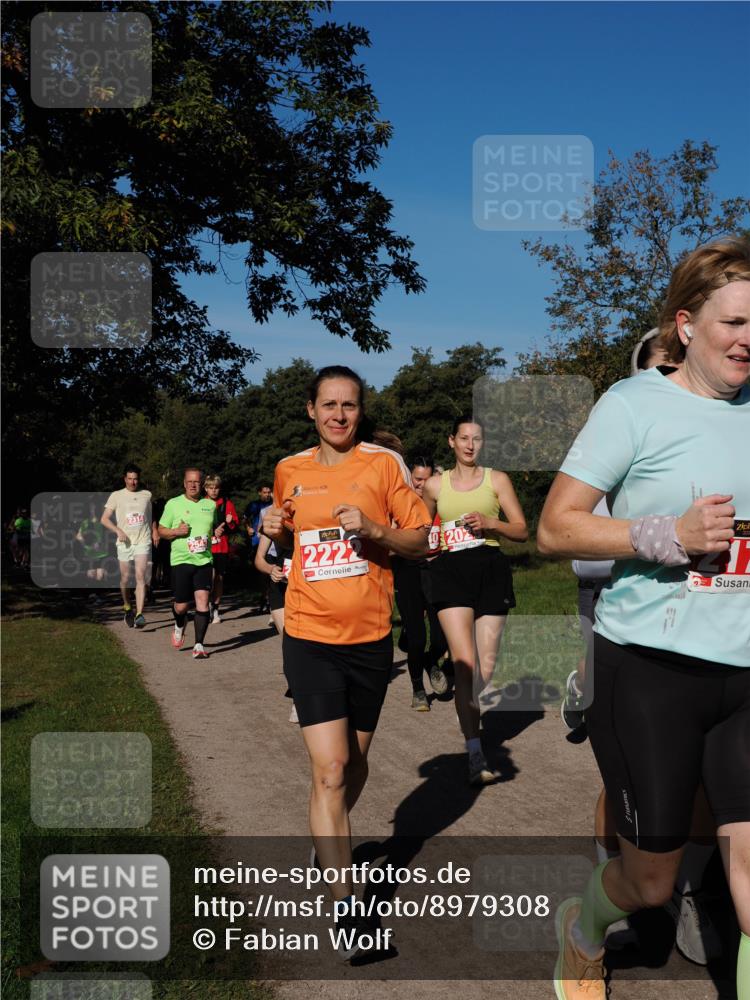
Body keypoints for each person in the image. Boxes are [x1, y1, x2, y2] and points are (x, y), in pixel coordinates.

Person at [538, 237, 750, 999]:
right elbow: (556, 528)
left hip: (747, 675)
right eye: (734, 321)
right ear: (686, 325)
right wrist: (668, 535)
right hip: (649, 672)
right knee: (650, 881)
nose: (748, 338)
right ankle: (583, 928)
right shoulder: (632, 406)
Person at [262, 364, 431, 959]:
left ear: (361, 412)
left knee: (352, 766)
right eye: (328, 404)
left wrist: (378, 529)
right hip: (308, 633)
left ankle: (324, 831)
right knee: (331, 769)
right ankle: (346, 904)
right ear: (311, 409)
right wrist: (274, 530)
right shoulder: (290, 469)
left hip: (368, 638)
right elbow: (283, 543)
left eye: (350, 405)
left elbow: (422, 540)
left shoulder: (383, 466)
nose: (339, 414)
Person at [422, 416, 528, 785]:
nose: (470, 445)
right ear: (451, 441)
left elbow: (521, 530)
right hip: (450, 572)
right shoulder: (435, 485)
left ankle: (463, 695)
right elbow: (422, 529)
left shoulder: (497, 480)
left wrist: (491, 523)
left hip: (490, 569)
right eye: (463, 438)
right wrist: (428, 548)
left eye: (477, 439)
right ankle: (474, 750)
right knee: (467, 665)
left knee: (486, 665)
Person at [393, 455, 451, 710]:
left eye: (427, 480)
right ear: (409, 478)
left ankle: (430, 661)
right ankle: (418, 688)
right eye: (418, 479)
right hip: (407, 571)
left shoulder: (442, 503)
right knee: (416, 638)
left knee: (442, 638)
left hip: (436, 570)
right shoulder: (398, 504)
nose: (422, 485)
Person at [158, 468, 224, 660]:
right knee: (181, 606)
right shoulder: (173, 504)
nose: (193, 485)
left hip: (204, 560)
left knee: (203, 601)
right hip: (181, 560)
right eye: (190, 482)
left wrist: (216, 534)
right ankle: (179, 625)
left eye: (196, 482)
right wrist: (176, 532)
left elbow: (211, 528)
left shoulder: (209, 506)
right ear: (184, 483)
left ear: (201, 484)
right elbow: (162, 530)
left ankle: (199, 645)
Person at [101, 464, 159, 628]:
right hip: (125, 542)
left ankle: (140, 614)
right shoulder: (116, 495)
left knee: (140, 576)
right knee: (125, 579)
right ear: (125, 479)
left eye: (136, 479)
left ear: (139, 479)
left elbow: (151, 515)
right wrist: (117, 530)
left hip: (143, 540)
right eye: (130, 479)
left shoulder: (147, 495)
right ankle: (127, 606)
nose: (133, 482)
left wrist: (154, 530)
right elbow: (104, 519)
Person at [255, 508, 295, 720]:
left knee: (307, 643)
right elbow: (259, 559)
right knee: (290, 640)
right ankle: (298, 696)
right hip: (280, 584)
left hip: (309, 586)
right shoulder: (272, 515)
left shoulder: (315, 508)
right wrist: (271, 570)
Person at [204, 475, 238, 624]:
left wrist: (230, 523)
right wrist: (212, 531)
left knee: (219, 578)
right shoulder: (201, 503)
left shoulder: (226, 503)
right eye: (210, 488)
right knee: (207, 578)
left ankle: (215, 608)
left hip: (222, 547)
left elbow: (235, 525)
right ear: (205, 488)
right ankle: (204, 606)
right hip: (205, 546)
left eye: (216, 488)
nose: (213, 491)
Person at [244, 483, 273, 613]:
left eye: (269, 492)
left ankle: (271, 598)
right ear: (259, 493)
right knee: (262, 572)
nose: (267, 494)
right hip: (257, 541)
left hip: (273, 543)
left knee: (271, 570)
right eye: (264, 492)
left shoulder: (275, 504)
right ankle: (264, 597)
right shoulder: (254, 505)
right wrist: (248, 528)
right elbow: (245, 518)